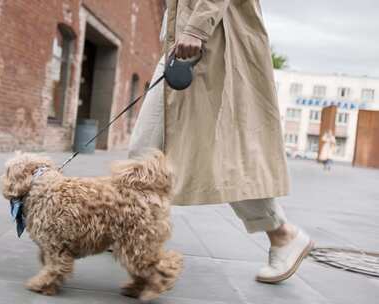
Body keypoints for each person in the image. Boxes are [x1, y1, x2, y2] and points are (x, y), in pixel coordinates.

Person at [129, 0, 313, 283]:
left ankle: (281, 234)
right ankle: (129, 230)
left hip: (213, 41)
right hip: (183, 39)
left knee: (227, 152)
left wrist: (196, 29)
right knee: (145, 147)